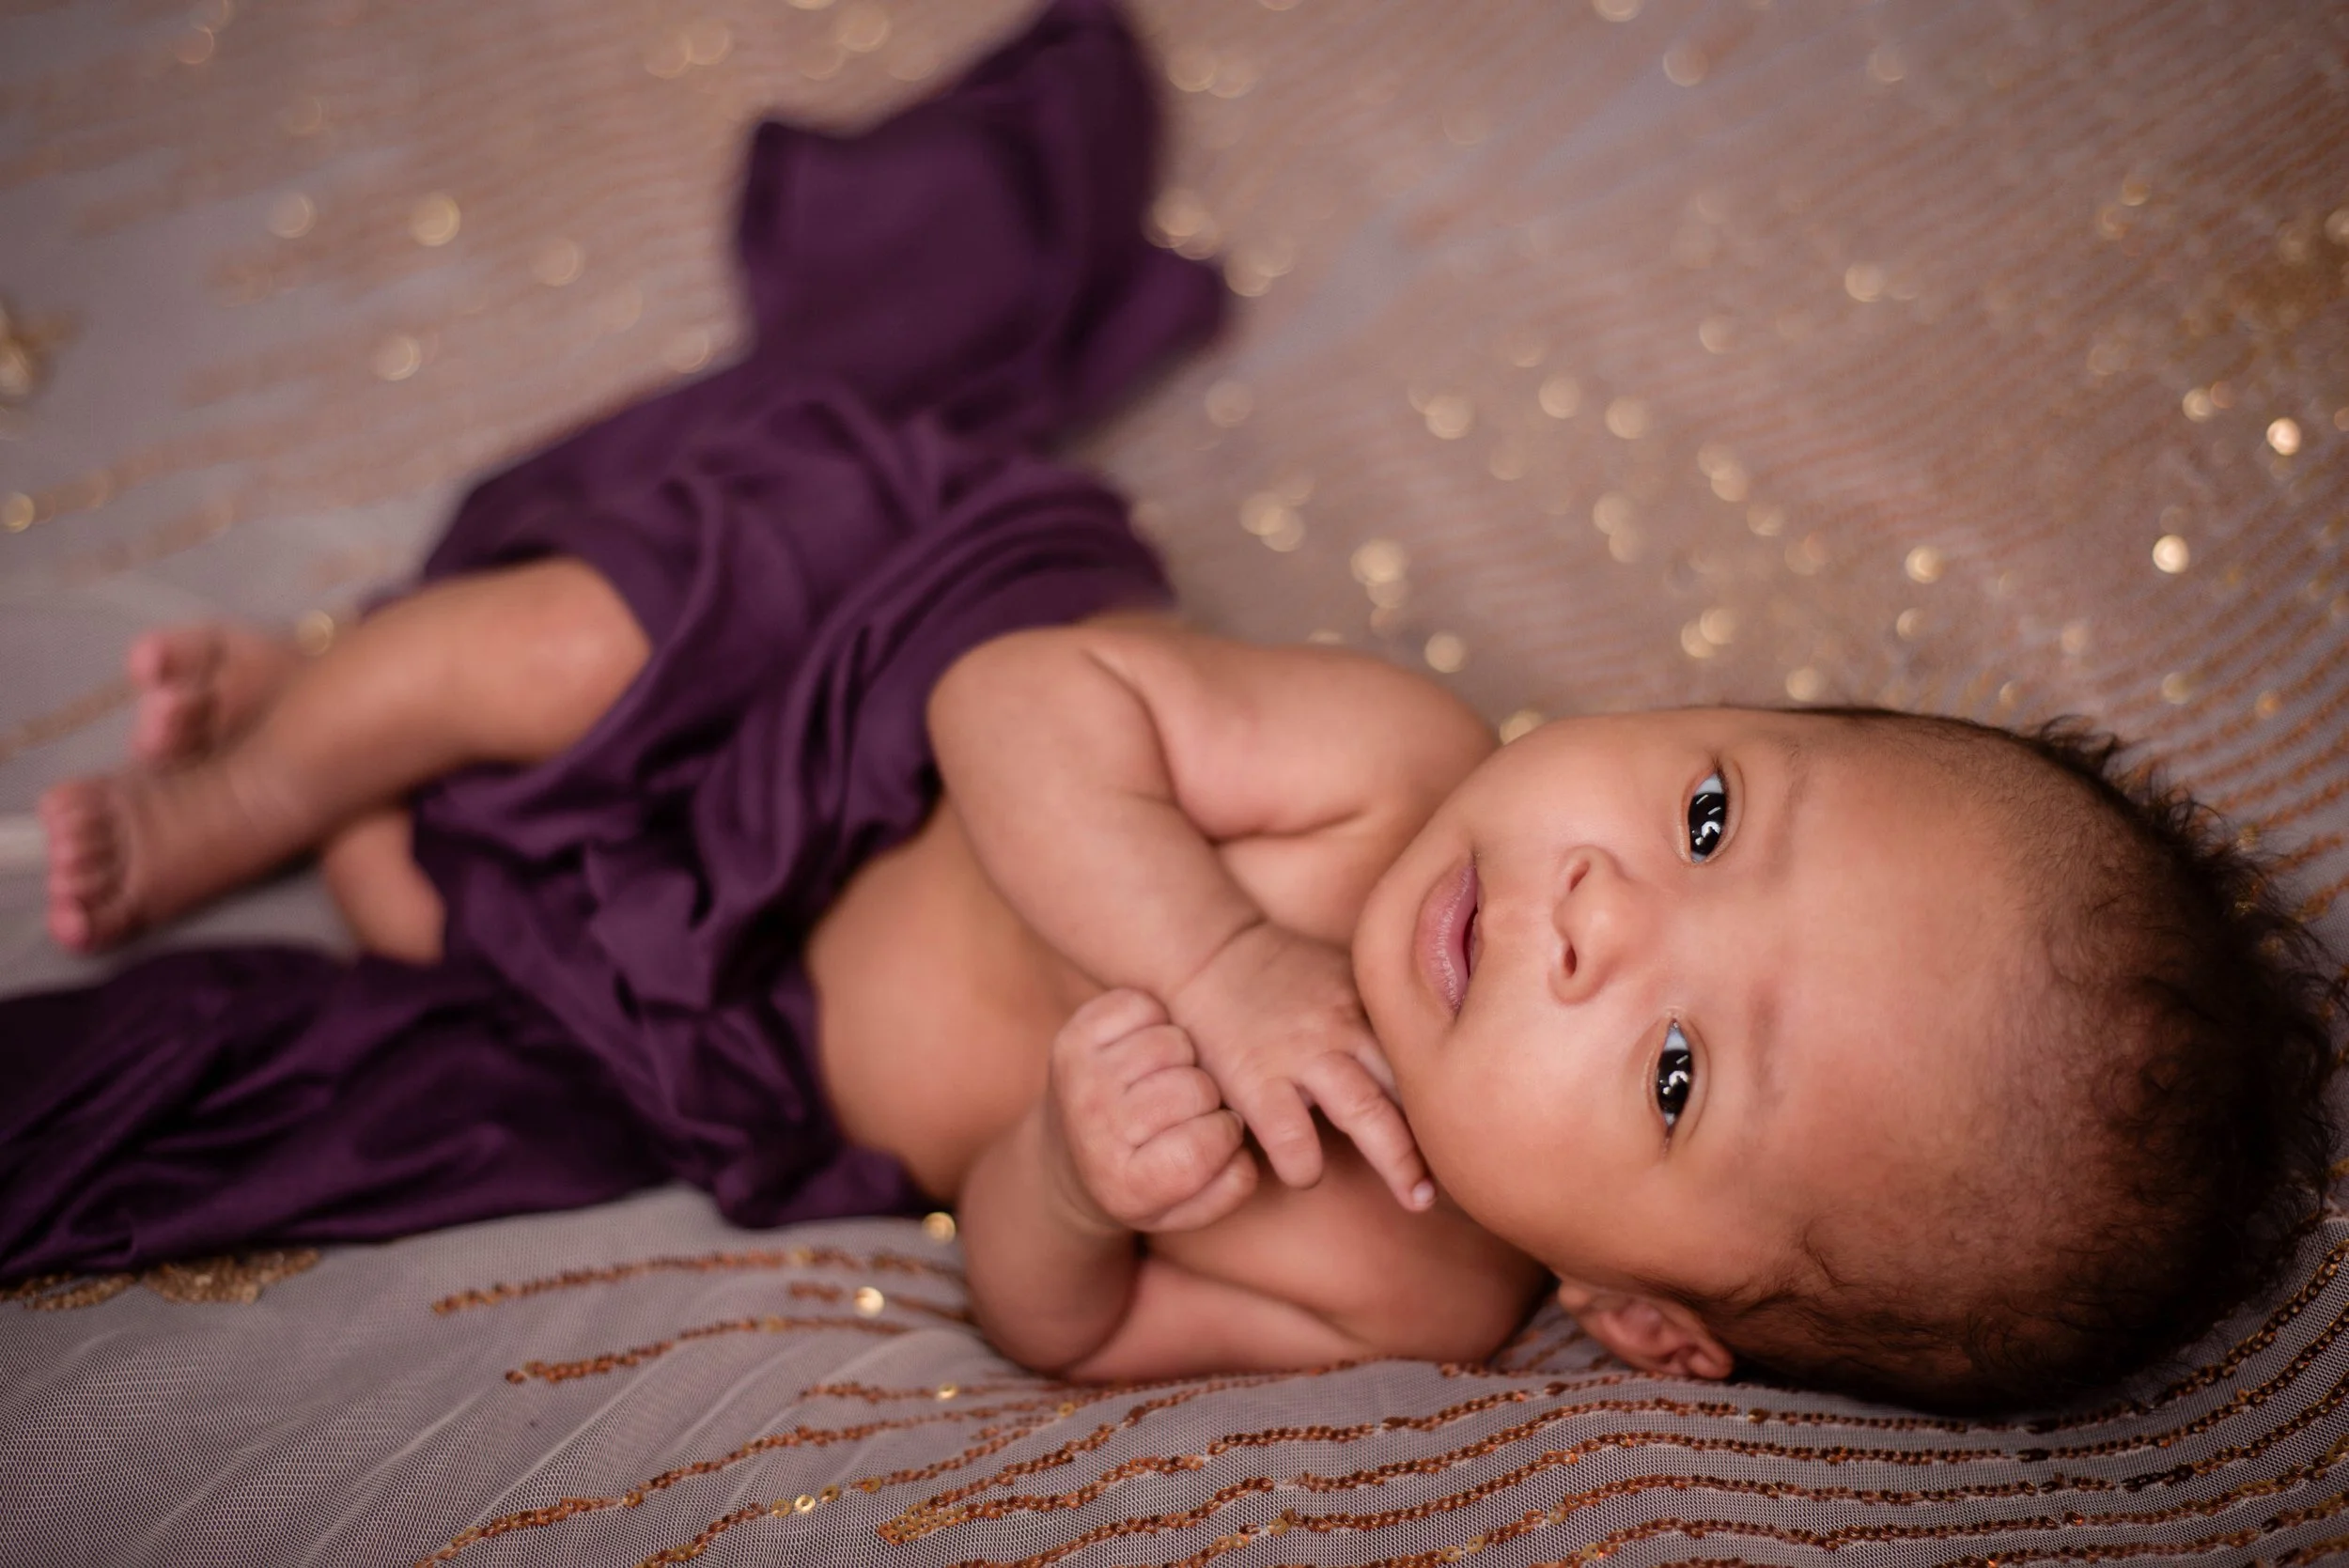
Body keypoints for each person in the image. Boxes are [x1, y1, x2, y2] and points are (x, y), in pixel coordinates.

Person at [8, 0, 2341, 1415]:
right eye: (1720, 812)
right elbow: (1020, 704)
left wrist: (1063, 1171)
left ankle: (365, 787)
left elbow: (1062, 1335)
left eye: (1670, 1069)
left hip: (740, 1027)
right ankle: (286, 745)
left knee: (435, 934)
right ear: (1703, 711)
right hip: (812, 721)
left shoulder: (1403, 1286)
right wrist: (1212, 956)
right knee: (553, 652)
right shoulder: (1388, 779)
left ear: (1643, 1317)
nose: (1603, 911)